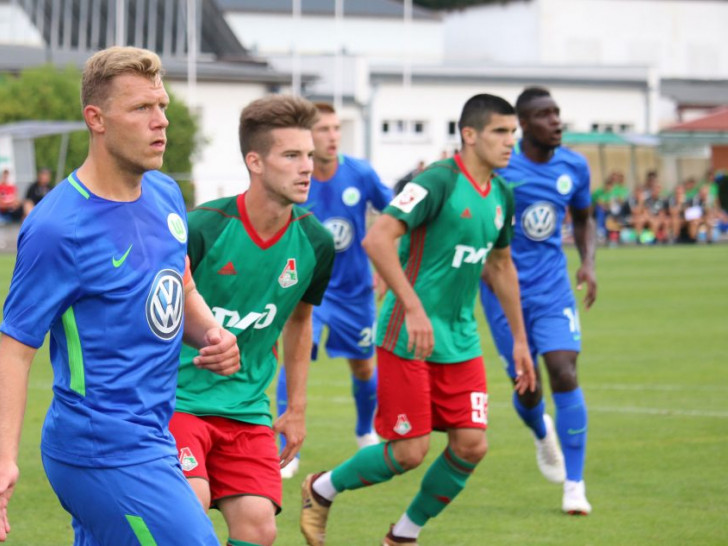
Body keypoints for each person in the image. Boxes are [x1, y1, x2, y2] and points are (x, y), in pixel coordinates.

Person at [0, 46, 241, 545]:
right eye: (141, 109)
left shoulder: (164, 194)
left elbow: (181, 283)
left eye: (163, 107)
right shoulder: (57, 228)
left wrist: (210, 331)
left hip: (152, 434)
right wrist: (3, 461)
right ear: (97, 119)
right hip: (101, 449)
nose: (161, 122)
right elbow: (14, 350)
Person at [300, 93, 536, 545]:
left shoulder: (502, 194)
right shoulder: (436, 182)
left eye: (513, 134)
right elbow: (377, 239)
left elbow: (502, 266)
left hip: (460, 338)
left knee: (472, 445)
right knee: (410, 451)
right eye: (501, 133)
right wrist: (411, 306)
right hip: (407, 335)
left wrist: (520, 341)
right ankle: (321, 488)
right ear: (469, 135)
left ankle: (402, 536)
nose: (511, 143)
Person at [169, 95, 335, 546]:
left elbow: (301, 322)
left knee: (260, 528)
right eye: (292, 156)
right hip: (178, 403)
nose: (308, 167)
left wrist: (296, 408)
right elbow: (156, 311)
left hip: (247, 410)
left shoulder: (315, 242)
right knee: (190, 509)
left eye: (309, 155)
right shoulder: (204, 227)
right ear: (255, 162)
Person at [479, 87, 597, 515]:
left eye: (557, 113)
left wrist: (588, 264)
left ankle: (575, 484)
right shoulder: (501, 170)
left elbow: (584, 219)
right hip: (501, 292)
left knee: (564, 371)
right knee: (528, 389)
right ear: (523, 126)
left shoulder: (574, 166)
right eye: (545, 116)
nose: (556, 122)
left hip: (552, 288)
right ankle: (540, 431)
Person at [275, 102, 392, 479]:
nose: (332, 136)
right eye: (323, 129)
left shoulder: (360, 173)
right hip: (307, 289)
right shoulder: (294, 177)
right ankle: (286, 452)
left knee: (363, 365)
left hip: (355, 291)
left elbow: (395, 218)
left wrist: (388, 271)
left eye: (336, 128)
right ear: (308, 137)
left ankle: (364, 431)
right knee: (295, 360)